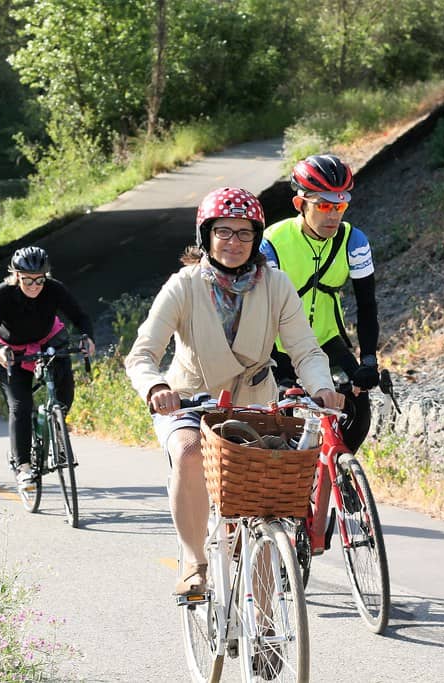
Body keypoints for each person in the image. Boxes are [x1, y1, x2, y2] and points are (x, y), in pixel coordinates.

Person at [125, 187, 344, 597]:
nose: (234, 242)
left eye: (245, 233)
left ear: (257, 237)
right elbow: (142, 354)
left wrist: (322, 388)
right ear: (205, 235)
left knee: (266, 507)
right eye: (223, 232)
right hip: (191, 402)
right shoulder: (183, 286)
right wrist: (156, 385)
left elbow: (305, 349)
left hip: (255, 406)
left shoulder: (277, 285)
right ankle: (194, 561)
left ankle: (266, 635)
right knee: (189, 453)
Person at [260, 153, 380, 454]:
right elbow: (263, 303)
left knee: (359, 411)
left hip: (327, 337)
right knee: (278, 423)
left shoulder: (355, 241)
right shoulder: (271, 241)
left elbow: (367, 305)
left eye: (340, 205)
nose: (333, 215)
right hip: (278, 343)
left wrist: (368, 360)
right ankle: (289, 483)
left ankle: (336, 471)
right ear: (300, 204)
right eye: (324, 205)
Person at [0, 245, 96, 488]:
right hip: (10, 352)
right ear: (16, 276)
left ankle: (56, 427)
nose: (34, 286)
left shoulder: (54, 289)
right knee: (21, 406)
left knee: (64, 389)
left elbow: (80, 316)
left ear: (47, 276)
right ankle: (22, 466)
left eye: (39, 280)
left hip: (46, 342)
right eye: (27, 280)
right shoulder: (2, 293)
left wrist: (87, 337)